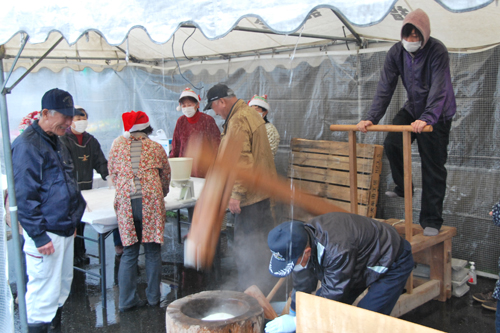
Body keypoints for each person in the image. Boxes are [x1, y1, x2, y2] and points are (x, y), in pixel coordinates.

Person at [356, 8, 456, 237]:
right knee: (392, 143)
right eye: (407, 35)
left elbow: (440, 88)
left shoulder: (437, 50)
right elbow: (385, 88)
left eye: (415, 36)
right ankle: (404, 187)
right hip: (414, 107)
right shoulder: (396, 52)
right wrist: (371, 117)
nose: (410, 40)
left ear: (424, 36)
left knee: (432, 166)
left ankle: (431, 220)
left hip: (437, 115)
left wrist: (428, 118)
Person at [12, 88, 86, 333]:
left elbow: (66, 182)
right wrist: (38, 234)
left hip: (63, 228)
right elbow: (24, 195)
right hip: (46, 233)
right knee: (42, 295)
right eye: (64, 117)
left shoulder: (58, 140)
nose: (69, 122)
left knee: (60, 290)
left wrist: (72, 221)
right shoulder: (27, 145)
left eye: (70, 116)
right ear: (45, 113)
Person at [265, 213, 414, 333]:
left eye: (293, 263)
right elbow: (303, 279)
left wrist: (298, 321)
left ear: (307, 252)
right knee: (332, 314)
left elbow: (333, 293)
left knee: (365, 320)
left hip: (391, 260)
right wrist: (294, 311)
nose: (294, 267)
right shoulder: (303, 238)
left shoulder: (337, 250)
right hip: (356, 264)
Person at [204, 83, 278, 294]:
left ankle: (250, 293)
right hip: (260, 194)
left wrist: (235, 194)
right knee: (260, 245)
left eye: (214, 107)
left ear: (222, 101)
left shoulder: (237, 120)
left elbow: (242, 161)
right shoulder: (248, 114)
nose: (216, 113)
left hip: (250, 198)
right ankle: (263, 289)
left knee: (248, 247)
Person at [108, 110, 171, 312]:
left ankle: (126, 301)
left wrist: (126, 188)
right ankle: (153, 298)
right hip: (151, 201)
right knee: (152, 252)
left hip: (127, 202)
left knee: (129, 252)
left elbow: (113, 174)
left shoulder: (117, 146)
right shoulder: (155, 147)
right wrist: (161, 192)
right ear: (147, 129)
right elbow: (165, 176)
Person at [59, 105, 110, 266]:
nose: (81, 121)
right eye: (77, 118)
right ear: (70, 121)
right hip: (70, 188)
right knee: (72, 223)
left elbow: (100, 161)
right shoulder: (63, 140)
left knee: (81, 223)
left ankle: (81, 251)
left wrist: (108, 175)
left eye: (83, 118)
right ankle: (73, 254)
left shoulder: (91, 140)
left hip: (87, 187)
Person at [170, 87, 221, 177]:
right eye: (184, 106)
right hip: (184, 168)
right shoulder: (180, 121)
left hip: (204, 168)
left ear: (197, 105)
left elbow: (216, 145)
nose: (186, 108)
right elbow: (176, 146)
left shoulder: (207, 120)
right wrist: (171, 164)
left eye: (189, 104)